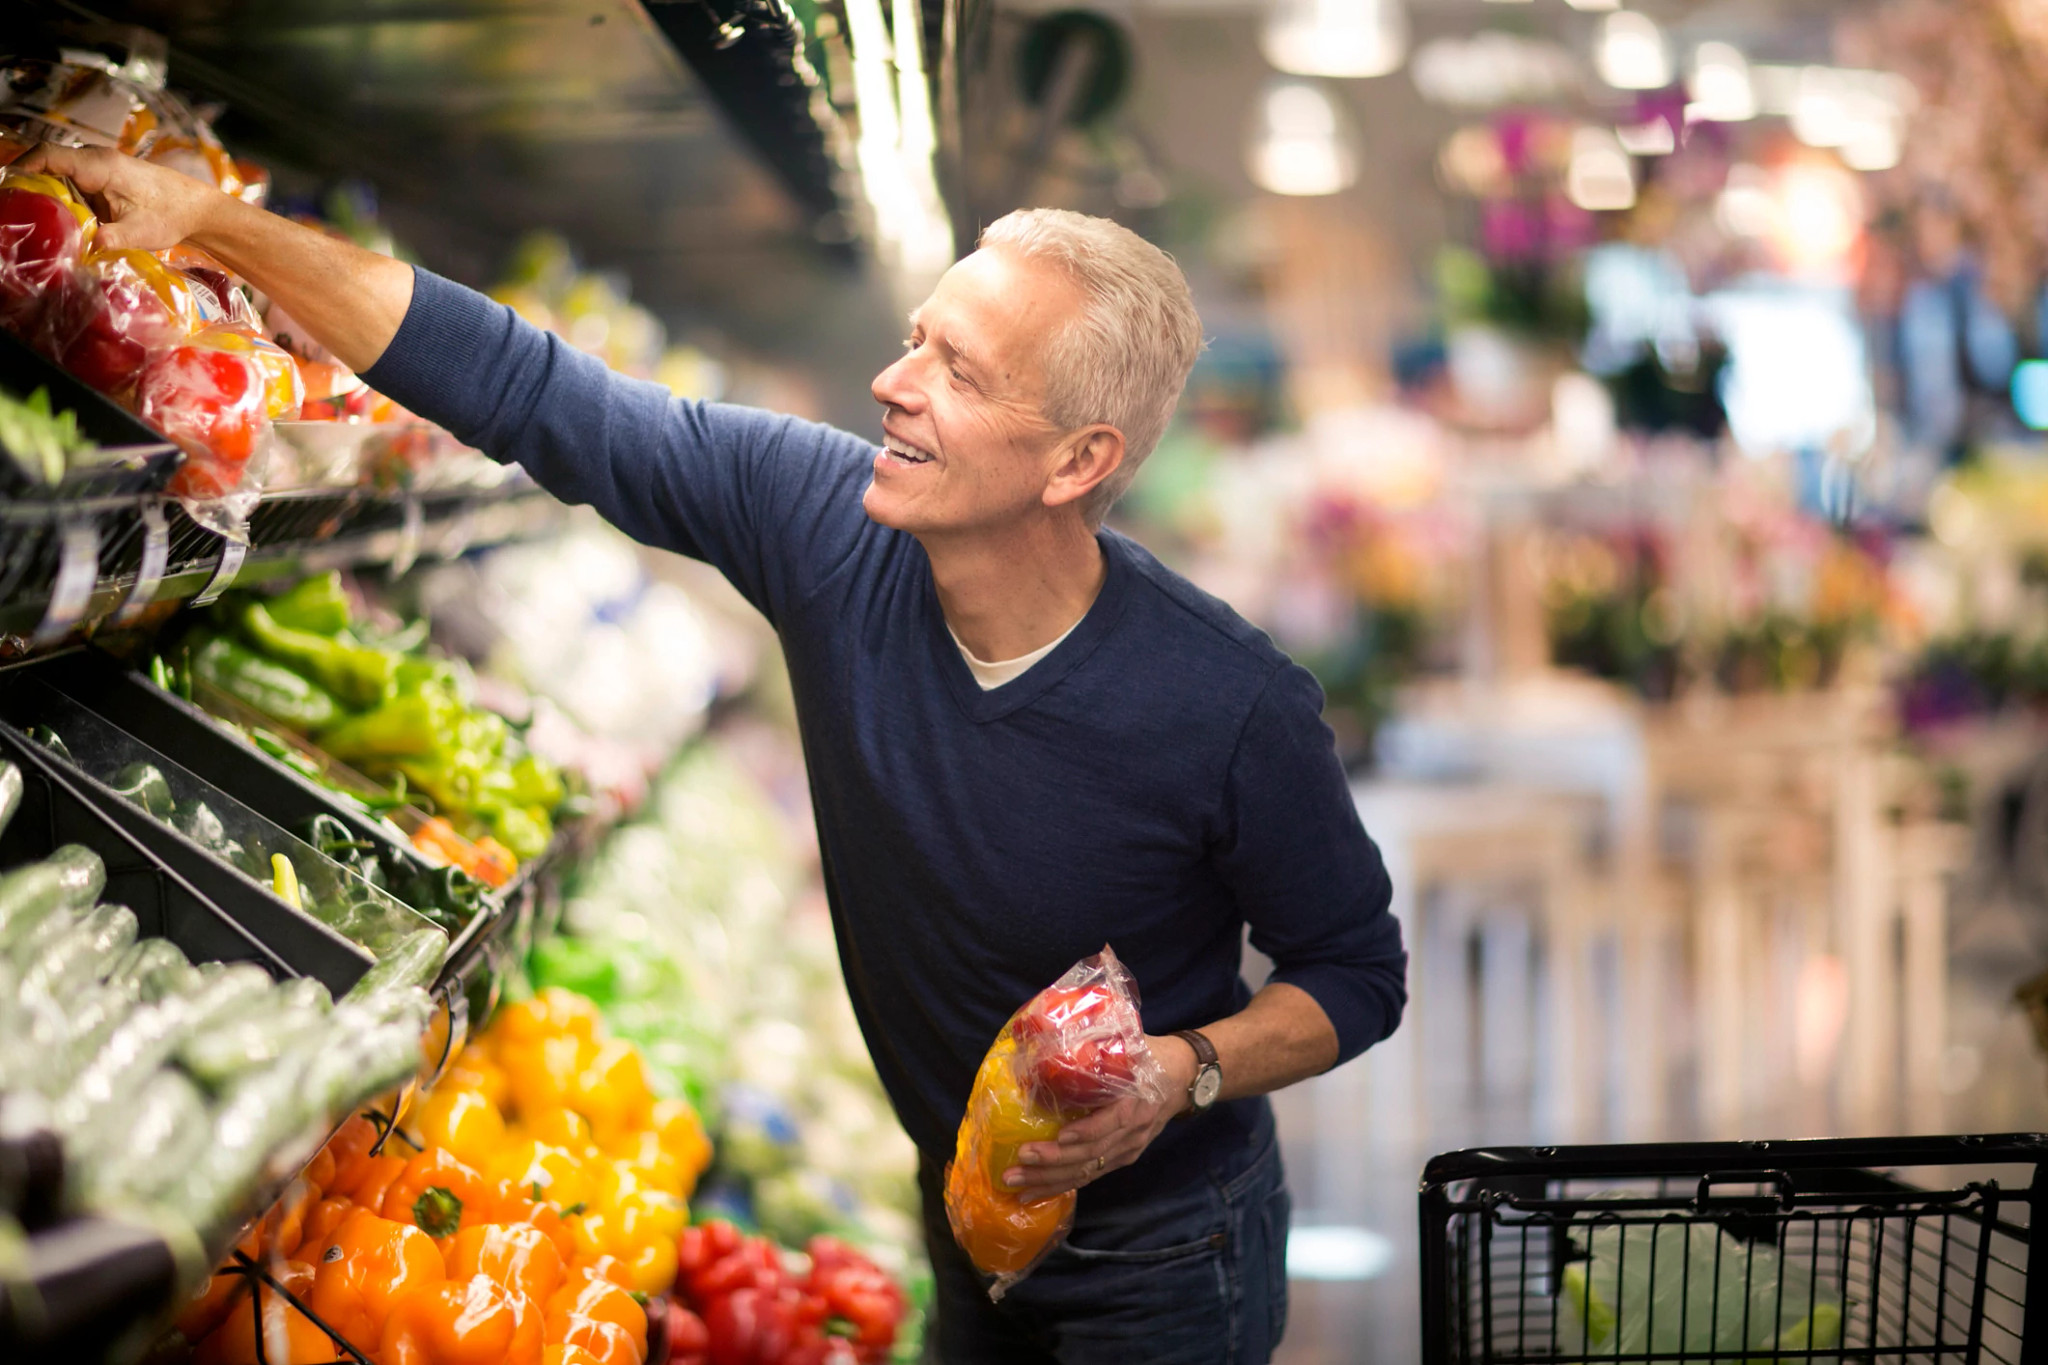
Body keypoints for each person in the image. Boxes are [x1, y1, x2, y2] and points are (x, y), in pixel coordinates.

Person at [17, 142, 1407, 1364]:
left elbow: (1356, 972)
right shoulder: (827, 524)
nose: (893, 384)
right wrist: (212, 221)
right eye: (915, 339)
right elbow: (533, 390)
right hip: (958, 1201)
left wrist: (1183, 1069)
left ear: (1075, 462)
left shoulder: (1227, 703)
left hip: (1167, 1251)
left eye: (958, 371)